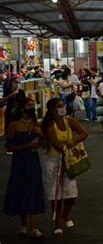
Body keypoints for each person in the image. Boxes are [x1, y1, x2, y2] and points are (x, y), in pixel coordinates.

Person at [42, 98, 88, 236]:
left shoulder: (69, 120)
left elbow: (84, 133)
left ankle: (65, 213)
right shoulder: (49, 124)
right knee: (56, 193)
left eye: (63, 105)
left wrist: (73, 141)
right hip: (53, 160)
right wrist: (65, 146)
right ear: (52, 110)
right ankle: (58, 224)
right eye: (59, 106)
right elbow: (55, 142)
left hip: (69, 160)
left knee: (71, 192)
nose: (63, 107)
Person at [4, 97, 46, 239]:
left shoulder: (36, 124)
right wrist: (27, 146)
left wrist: (41, 136)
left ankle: (34, 227)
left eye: (33, 105)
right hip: (19, 161)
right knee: (21, 189)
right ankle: (23, 225)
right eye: (29, 105)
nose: (32, 107)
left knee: (33, 189)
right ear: (22, 108)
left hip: (33, 161)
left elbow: (44, 145)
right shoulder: (14, 125)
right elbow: (9, 147)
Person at [1, 76, 26, 143]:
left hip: (18, 113)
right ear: (11, 83)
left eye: (18, 82)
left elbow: (24, 102)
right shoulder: (8, 91)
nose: (17, 84)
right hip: (9, 112)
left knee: (18, 129)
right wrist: (11, 95)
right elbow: (2, 101)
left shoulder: (21, 92)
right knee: (9, 128)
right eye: (15, 82)